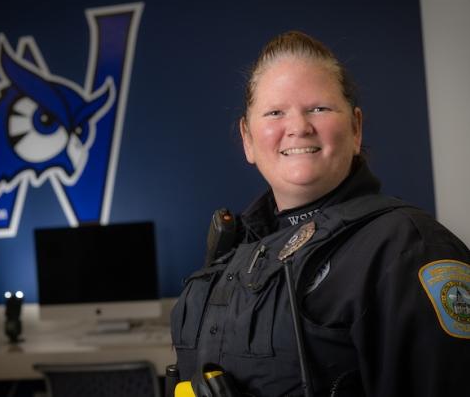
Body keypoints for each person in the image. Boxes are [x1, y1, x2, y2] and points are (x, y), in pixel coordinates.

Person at [170, 31, 470, 397]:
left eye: (318, 108)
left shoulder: (407, 248)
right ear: (248, 139)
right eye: (275, 112)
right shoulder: (233, 258)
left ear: (356, 128)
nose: (298, 127)